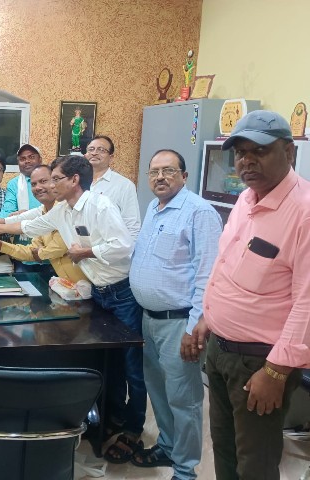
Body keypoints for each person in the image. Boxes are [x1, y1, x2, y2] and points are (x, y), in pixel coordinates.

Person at [0, 155, 146, 460]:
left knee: (132, 366)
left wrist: (87, 251)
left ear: (74, 180)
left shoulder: (100, 206)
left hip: (121, 293)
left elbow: (124, 246)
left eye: (55, 179)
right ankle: (111, 417)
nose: (50, 185)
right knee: (106, 361)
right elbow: (30, 225)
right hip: (98, 292)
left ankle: (134, 428)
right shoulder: (62, 210)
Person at [191, 110, 310, 479]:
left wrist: (276, 372)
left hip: (260, 361)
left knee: (255, 464)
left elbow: (307, 302)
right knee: (224, 450)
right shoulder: (246, 199)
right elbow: (228, 264)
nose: (247, 161)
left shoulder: (304, 212)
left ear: (289, 152)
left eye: (260, 150)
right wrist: (209, 316)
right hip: (220, 350)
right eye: (240, 153)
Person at [129, 149, 222, 479]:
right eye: (154, 172)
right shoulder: (154, 208)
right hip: (149, 319)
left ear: (184, 175)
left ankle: (185, 470)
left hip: (180, 322)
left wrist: (194, 327)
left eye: (168, 171)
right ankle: (168, 447)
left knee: (184, 399)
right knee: (158, 391)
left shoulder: (200, 212)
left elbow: (208, 275)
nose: (160, 177)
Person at [0, 164, 88, 283]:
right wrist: (1, 245)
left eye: (43, 181)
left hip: (91, 284)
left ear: (55, 182)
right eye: (33, 184)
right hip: (69, 285)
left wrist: (40, 253)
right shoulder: (42, 213)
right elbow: (31, 251)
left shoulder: (67, 208)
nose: (38, 187)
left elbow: (58, 248)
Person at [86, 135, 141, 239]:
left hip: (109, 247)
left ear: (111, 157)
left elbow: (132, 226)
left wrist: (129, 248)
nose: (94, 153)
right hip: (79, 246)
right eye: (91, 149)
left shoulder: (124, 185)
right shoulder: (76, 182)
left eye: (101, 150)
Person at [0, 143, 43, 217]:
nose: (27, 161)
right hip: (23, 224)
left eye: (31, 157)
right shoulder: (14, 184)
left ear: (40, 160)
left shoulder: (51, 179)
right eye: (22, 159)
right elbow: (8, 211)